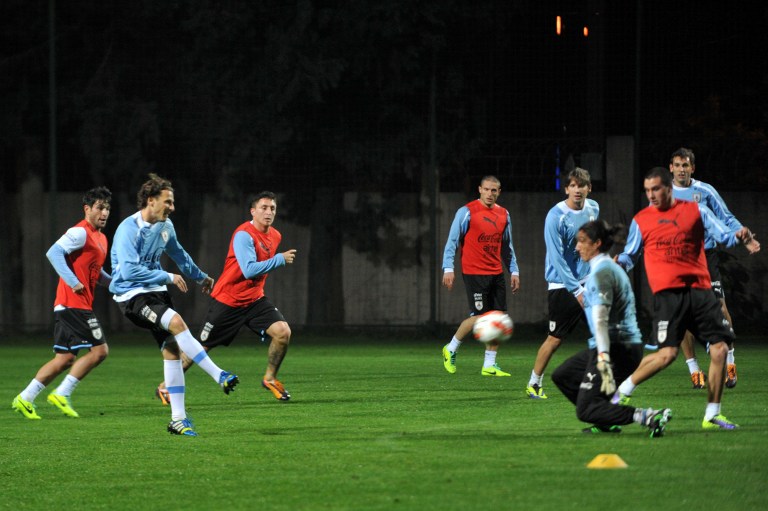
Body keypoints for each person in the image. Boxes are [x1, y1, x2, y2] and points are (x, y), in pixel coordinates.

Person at [614, 167, 760, 430]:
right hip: (669, 296)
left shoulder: (696, 211)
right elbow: (630, 255)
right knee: (666, 355)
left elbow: (722, 235)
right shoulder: (642, 220)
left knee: (720, 348)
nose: (651, 195)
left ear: (669, 188)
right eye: (647, 191)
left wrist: (739, 236)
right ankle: (618, 395)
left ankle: (712, 414)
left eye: (655, 189)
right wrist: (618, 264)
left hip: (700, 291)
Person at [110, 173, 239, 437]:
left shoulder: (165, 225)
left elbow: (178, 253)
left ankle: (178, 420)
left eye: (172, 202)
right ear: (150, 200)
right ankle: (218, 375)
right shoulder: (127, 230)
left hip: (155, 292)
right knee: (178, 323)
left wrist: (200, 276)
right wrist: (168, 276)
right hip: (132, 296)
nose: (172, 207)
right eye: (167, 202)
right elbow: (129, 272)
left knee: (171, 350)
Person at [155, 191, 296, 403]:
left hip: (255, 300)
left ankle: (270, 378)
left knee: (283, 332)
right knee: (200, 347)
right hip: (228, 301)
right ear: (253, 211)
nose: (269, 212)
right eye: (264, 208)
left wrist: (275, 260)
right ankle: (166, 387)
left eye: (272, 209)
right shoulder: (243, 235)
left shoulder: (275, 236)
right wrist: (278, 259)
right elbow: (248, 270)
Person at [551, 220, 671, 437]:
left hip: (617, 348)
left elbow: (601, 320)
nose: (577, 247)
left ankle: (647, 416)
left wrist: (604, 356)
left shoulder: (602, 273)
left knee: (585, 409)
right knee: (563, 375)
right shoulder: (606, 268)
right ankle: (605, 419)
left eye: (582, 242)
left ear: (597, 243)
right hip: (613, 345)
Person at [12, 187, 113, 420]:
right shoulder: (80, 232)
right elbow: (53, 253)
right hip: (73, 304)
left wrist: (116, 285)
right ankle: (62, 393)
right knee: (100, 351)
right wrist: (73, 281)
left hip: (72, 305)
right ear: (87, 209)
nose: (104, 212)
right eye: (99, 207)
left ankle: (24, 398)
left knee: (65, 359)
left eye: (107, 208)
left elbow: (96, 273)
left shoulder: (102, 238)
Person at [669, 147, 749, 389]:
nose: (682, 169)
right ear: (670, 168)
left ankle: (731, 362)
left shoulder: (705, 191)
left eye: (686, 165)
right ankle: (694, 370)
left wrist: (742, 233)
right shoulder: (663, 193)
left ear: (693, 168)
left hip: (705, 256)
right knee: (682, 315)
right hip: (678, 259)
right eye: (678, 165)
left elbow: (726, 216)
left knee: (720, 307)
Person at [525, 167, 599, 399]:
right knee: (555, 339)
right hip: (563, 286)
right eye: (573, 186)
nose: (577, 190)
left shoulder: (593, 208)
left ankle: (606, 383)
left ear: (589, 188)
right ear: (566, 189)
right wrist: (576, 289)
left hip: (589, 282)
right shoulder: (555, 216)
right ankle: (534, 383)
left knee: (605, 332)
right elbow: (556, 259)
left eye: (582, 185)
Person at [441, 175, 520, 376]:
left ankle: (489, 365)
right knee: (480, 317)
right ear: (480, 189)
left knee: (499, 318)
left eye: (494, 190)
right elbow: (452, 241)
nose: (490, 193)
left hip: (496, 272)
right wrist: (448, 268)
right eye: (487, 189)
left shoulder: (504, 214)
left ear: (499, 192)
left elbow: (507, 247)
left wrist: (514, 270)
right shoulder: (466, 212)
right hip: (474, 273)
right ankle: (450, 349)